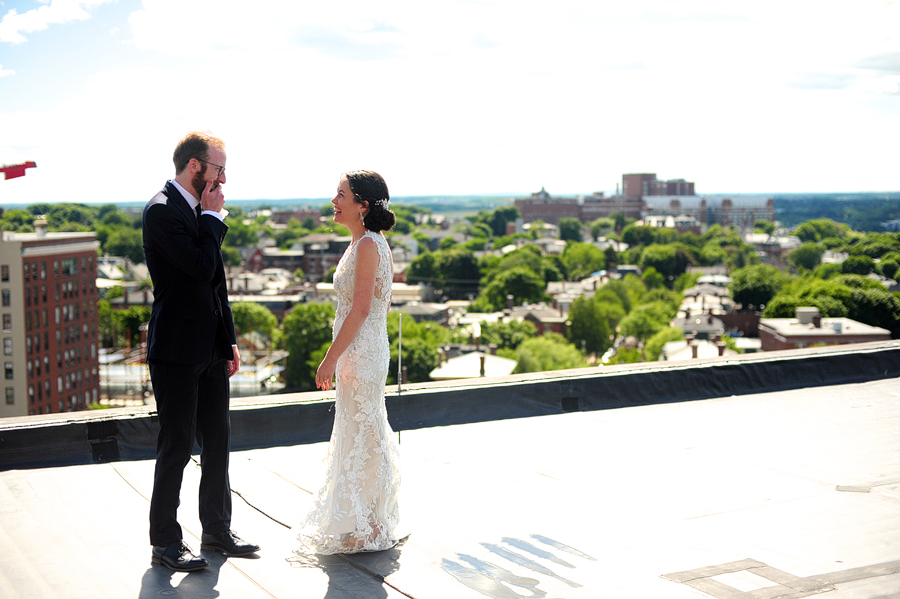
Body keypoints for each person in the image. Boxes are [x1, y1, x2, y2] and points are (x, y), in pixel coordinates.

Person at [143, 131, 259, 572]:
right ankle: (166, 542)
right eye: (218, 169)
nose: (223, 178)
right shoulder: (160, 211)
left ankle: (216, 529)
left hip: (210, 347)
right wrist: (212, 219)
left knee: (218, 439)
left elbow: (217, 284)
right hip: (175, 350)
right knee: (176, 444)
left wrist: (228, 339)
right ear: (195, 166)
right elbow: (199, 267)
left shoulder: (198, 210)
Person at [294, 170, 401, 555]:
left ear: (362, 205)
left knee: (366, 430)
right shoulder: (365, 242)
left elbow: (361, 309)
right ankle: (362, 518)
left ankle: (371, 523)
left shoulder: (369, 245)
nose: (333, 201)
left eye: (341, 195)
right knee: (360, 428)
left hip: (362, 351)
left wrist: (330, 358)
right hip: (363, 348)